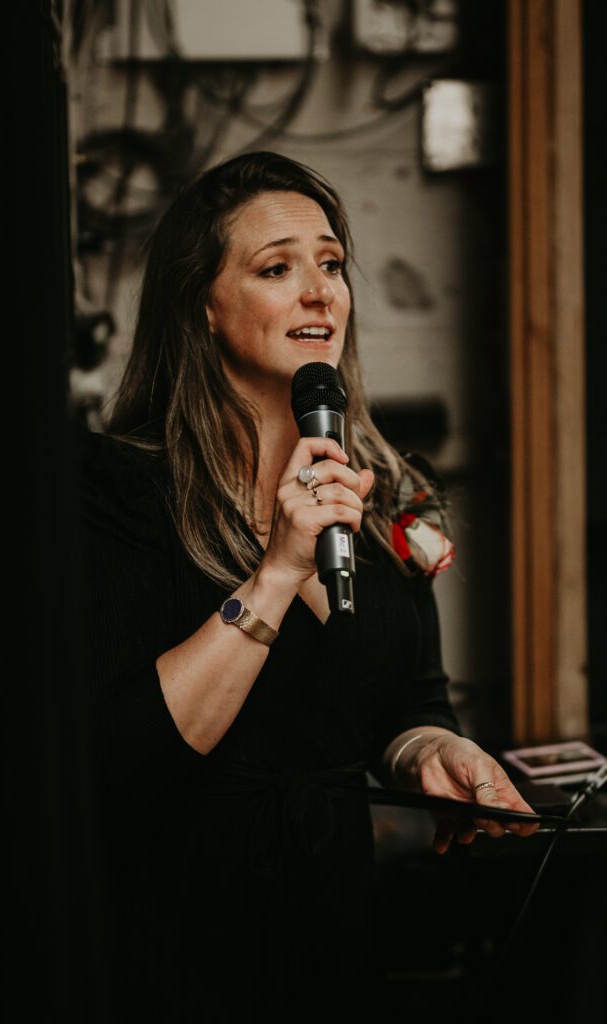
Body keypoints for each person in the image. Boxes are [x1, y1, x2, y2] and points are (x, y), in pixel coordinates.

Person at [78, 151, 538, 1022]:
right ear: (202, 307)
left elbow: (411, 703)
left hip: (332, 942)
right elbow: (123, 760)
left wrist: (434, 751)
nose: (320, 290)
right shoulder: (117, 489)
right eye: (276, 268)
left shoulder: (384, 493)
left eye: (330, 263)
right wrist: (279, 570)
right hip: (174, 951)